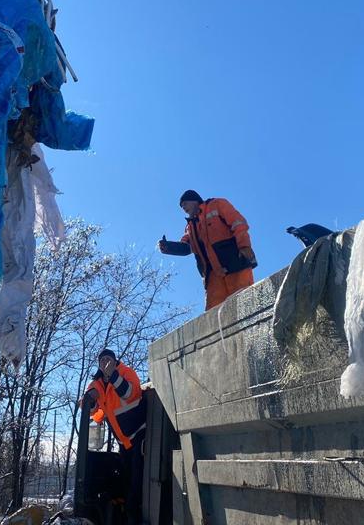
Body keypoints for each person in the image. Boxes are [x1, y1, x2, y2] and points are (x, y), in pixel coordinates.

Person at [158, 190, 257, 310]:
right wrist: (168, 247)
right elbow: (186, 247)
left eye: (184, 203)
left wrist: (244, 246)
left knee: (245, 305)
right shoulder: (190, 227)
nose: (183, 207)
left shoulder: (217, 204)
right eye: (181, 206)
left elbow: (238, 223)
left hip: (235, 264)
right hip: (212, 276)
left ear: (194, 200)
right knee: (214, 316)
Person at [83, 349, 146, 525]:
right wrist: (91, 399)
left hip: (139, 437)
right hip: (123, 443)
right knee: (124, 484)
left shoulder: (126, 372)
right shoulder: (96, 384)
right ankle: (123, 515)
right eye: (102, 360)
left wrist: (113, 376)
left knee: (137, 485)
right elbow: (88, 410)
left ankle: (135, 518)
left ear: (115, 360)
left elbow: (130, 393)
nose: (105, 363)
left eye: (108, 359)